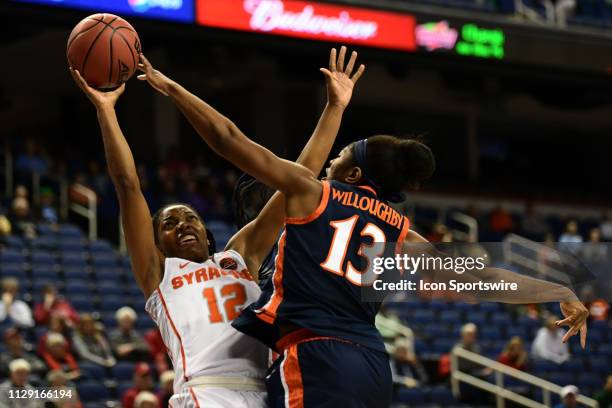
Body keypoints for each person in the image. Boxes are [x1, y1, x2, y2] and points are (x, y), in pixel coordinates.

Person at [137, 43, 589, 407]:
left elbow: (227, 139)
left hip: (315, 357)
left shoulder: (313, 193)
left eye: (341, 156)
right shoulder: (400, 233)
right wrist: (559, 291)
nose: (331, 159)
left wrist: (170, 88)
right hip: (373, 366)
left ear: (353, 174)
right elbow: (483, 278)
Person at [71, 45, 365, 407]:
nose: (182, 225)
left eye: (189, 217)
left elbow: (299, 179)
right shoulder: (158, 272)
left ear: (208, 232)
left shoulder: (241, 255)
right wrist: (106, 111)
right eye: (169, 223)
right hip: (205, 391)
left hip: (269, 391)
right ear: (157, 242)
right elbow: (128, 185)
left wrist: (334, 107)